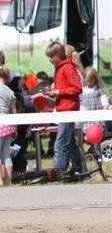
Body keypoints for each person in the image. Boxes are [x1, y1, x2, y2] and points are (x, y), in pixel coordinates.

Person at [44, 41, 83, 177]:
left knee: (60, 143)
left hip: (69, 110)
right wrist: (55, 93)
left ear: (59, 55)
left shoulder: (67, 68)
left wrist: (59, 92)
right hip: (64, 109)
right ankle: (81, 171)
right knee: (70, 143)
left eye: (51, 56)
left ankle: (57, 172)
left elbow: (77, 88)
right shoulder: (60, 68)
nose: (50, 59)